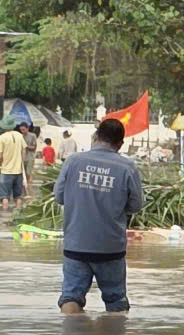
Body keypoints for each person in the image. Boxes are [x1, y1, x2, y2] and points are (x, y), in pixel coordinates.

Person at [55, 117, 143, 314]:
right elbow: (136, 205)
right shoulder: (127, 167)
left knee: (70, 298)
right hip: (110, 247)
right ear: (120, 144)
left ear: (95, 137)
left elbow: (60, 197)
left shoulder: (73, 161)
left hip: (76, 244)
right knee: (116, 302)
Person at [0, 119, 30, 207]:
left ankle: (4, 217)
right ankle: (18, 215)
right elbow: (24, 153)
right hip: (18, 172)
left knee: (4, 197)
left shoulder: (1, 138)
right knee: (18, 197)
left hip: (6, 172)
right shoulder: (19, 136)